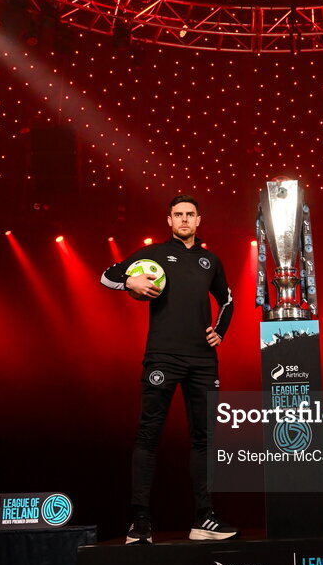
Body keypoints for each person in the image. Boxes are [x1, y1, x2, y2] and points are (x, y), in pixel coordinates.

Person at [101, 194, 238, 544]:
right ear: (169, 221)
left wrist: (219, 331)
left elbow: (227, 300)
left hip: (203, 361)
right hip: (162, 357)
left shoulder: (211, 261)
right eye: (178, 215)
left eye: (190, 214)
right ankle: (140, 522)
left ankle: (204, 519)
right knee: (149, 435)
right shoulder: (155, 255)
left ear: (199, 220)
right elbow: (107, 275)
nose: (184, 220)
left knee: (204, 439)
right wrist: (129, 282)